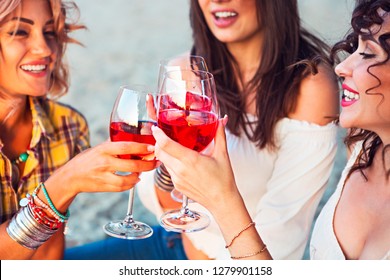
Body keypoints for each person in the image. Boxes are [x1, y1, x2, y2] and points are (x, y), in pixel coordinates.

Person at [65, 0, 339, 260]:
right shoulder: (185, 71)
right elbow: (170, 209)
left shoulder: (310, 86)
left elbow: (281, 238)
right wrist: (167, 163)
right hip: (173, 246)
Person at [152, 0, 390, 260]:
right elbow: (165, 207)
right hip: (170, 241)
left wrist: (219, 195)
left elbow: (278, 249)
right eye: (356, 48)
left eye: (367, 53)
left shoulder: (312, 89)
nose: (341, 67)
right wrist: (168, 167)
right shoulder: (365, 145)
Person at [0, 0, 158, 260]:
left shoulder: (68, 125)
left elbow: (49, 255)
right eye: (19, 32)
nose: (44, 48)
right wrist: (64, 184)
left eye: (50, 32)